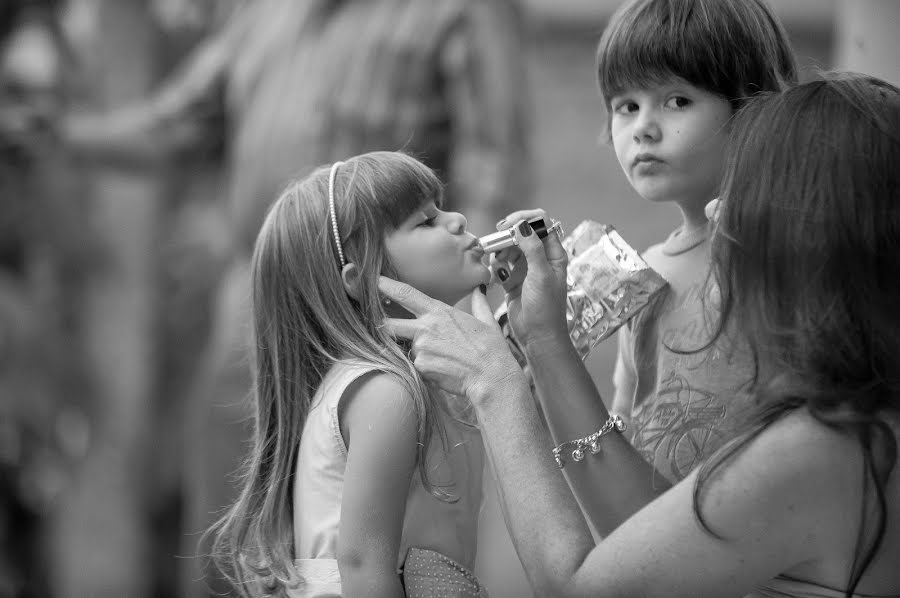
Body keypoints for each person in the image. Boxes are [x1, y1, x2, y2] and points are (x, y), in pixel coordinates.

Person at [57, 1, 531, 593]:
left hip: (408, 309)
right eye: (431, 218)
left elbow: (491, 162)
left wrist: (474, 313)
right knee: (252, 493)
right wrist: (55, 131)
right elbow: (176, 124)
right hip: (261, 300)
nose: (456, 220)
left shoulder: (450, 11)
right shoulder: (262, 15)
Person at [379, 74, 900, 596]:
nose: (717, 210)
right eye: (625, 106)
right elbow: (644, 536)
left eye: (745, 190)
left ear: (810, 230)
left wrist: (496, 384)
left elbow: (579, 589)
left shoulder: (819, 446)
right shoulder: (848, 422)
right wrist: (542, 340)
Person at [491, 0, 800, 537]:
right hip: (660, 553)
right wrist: (533, 353)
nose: (644, 129)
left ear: (754, 107)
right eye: (624, 106)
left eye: (677, 100)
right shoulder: (636, 273)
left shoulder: (783, 252)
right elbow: (621, 437)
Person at [210, 151, 492, 597]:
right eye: (425, 221)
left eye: (442, 208)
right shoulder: (386, 393)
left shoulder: (417, 383)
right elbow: (362, 569)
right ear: (361, 278)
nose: (457, 220)